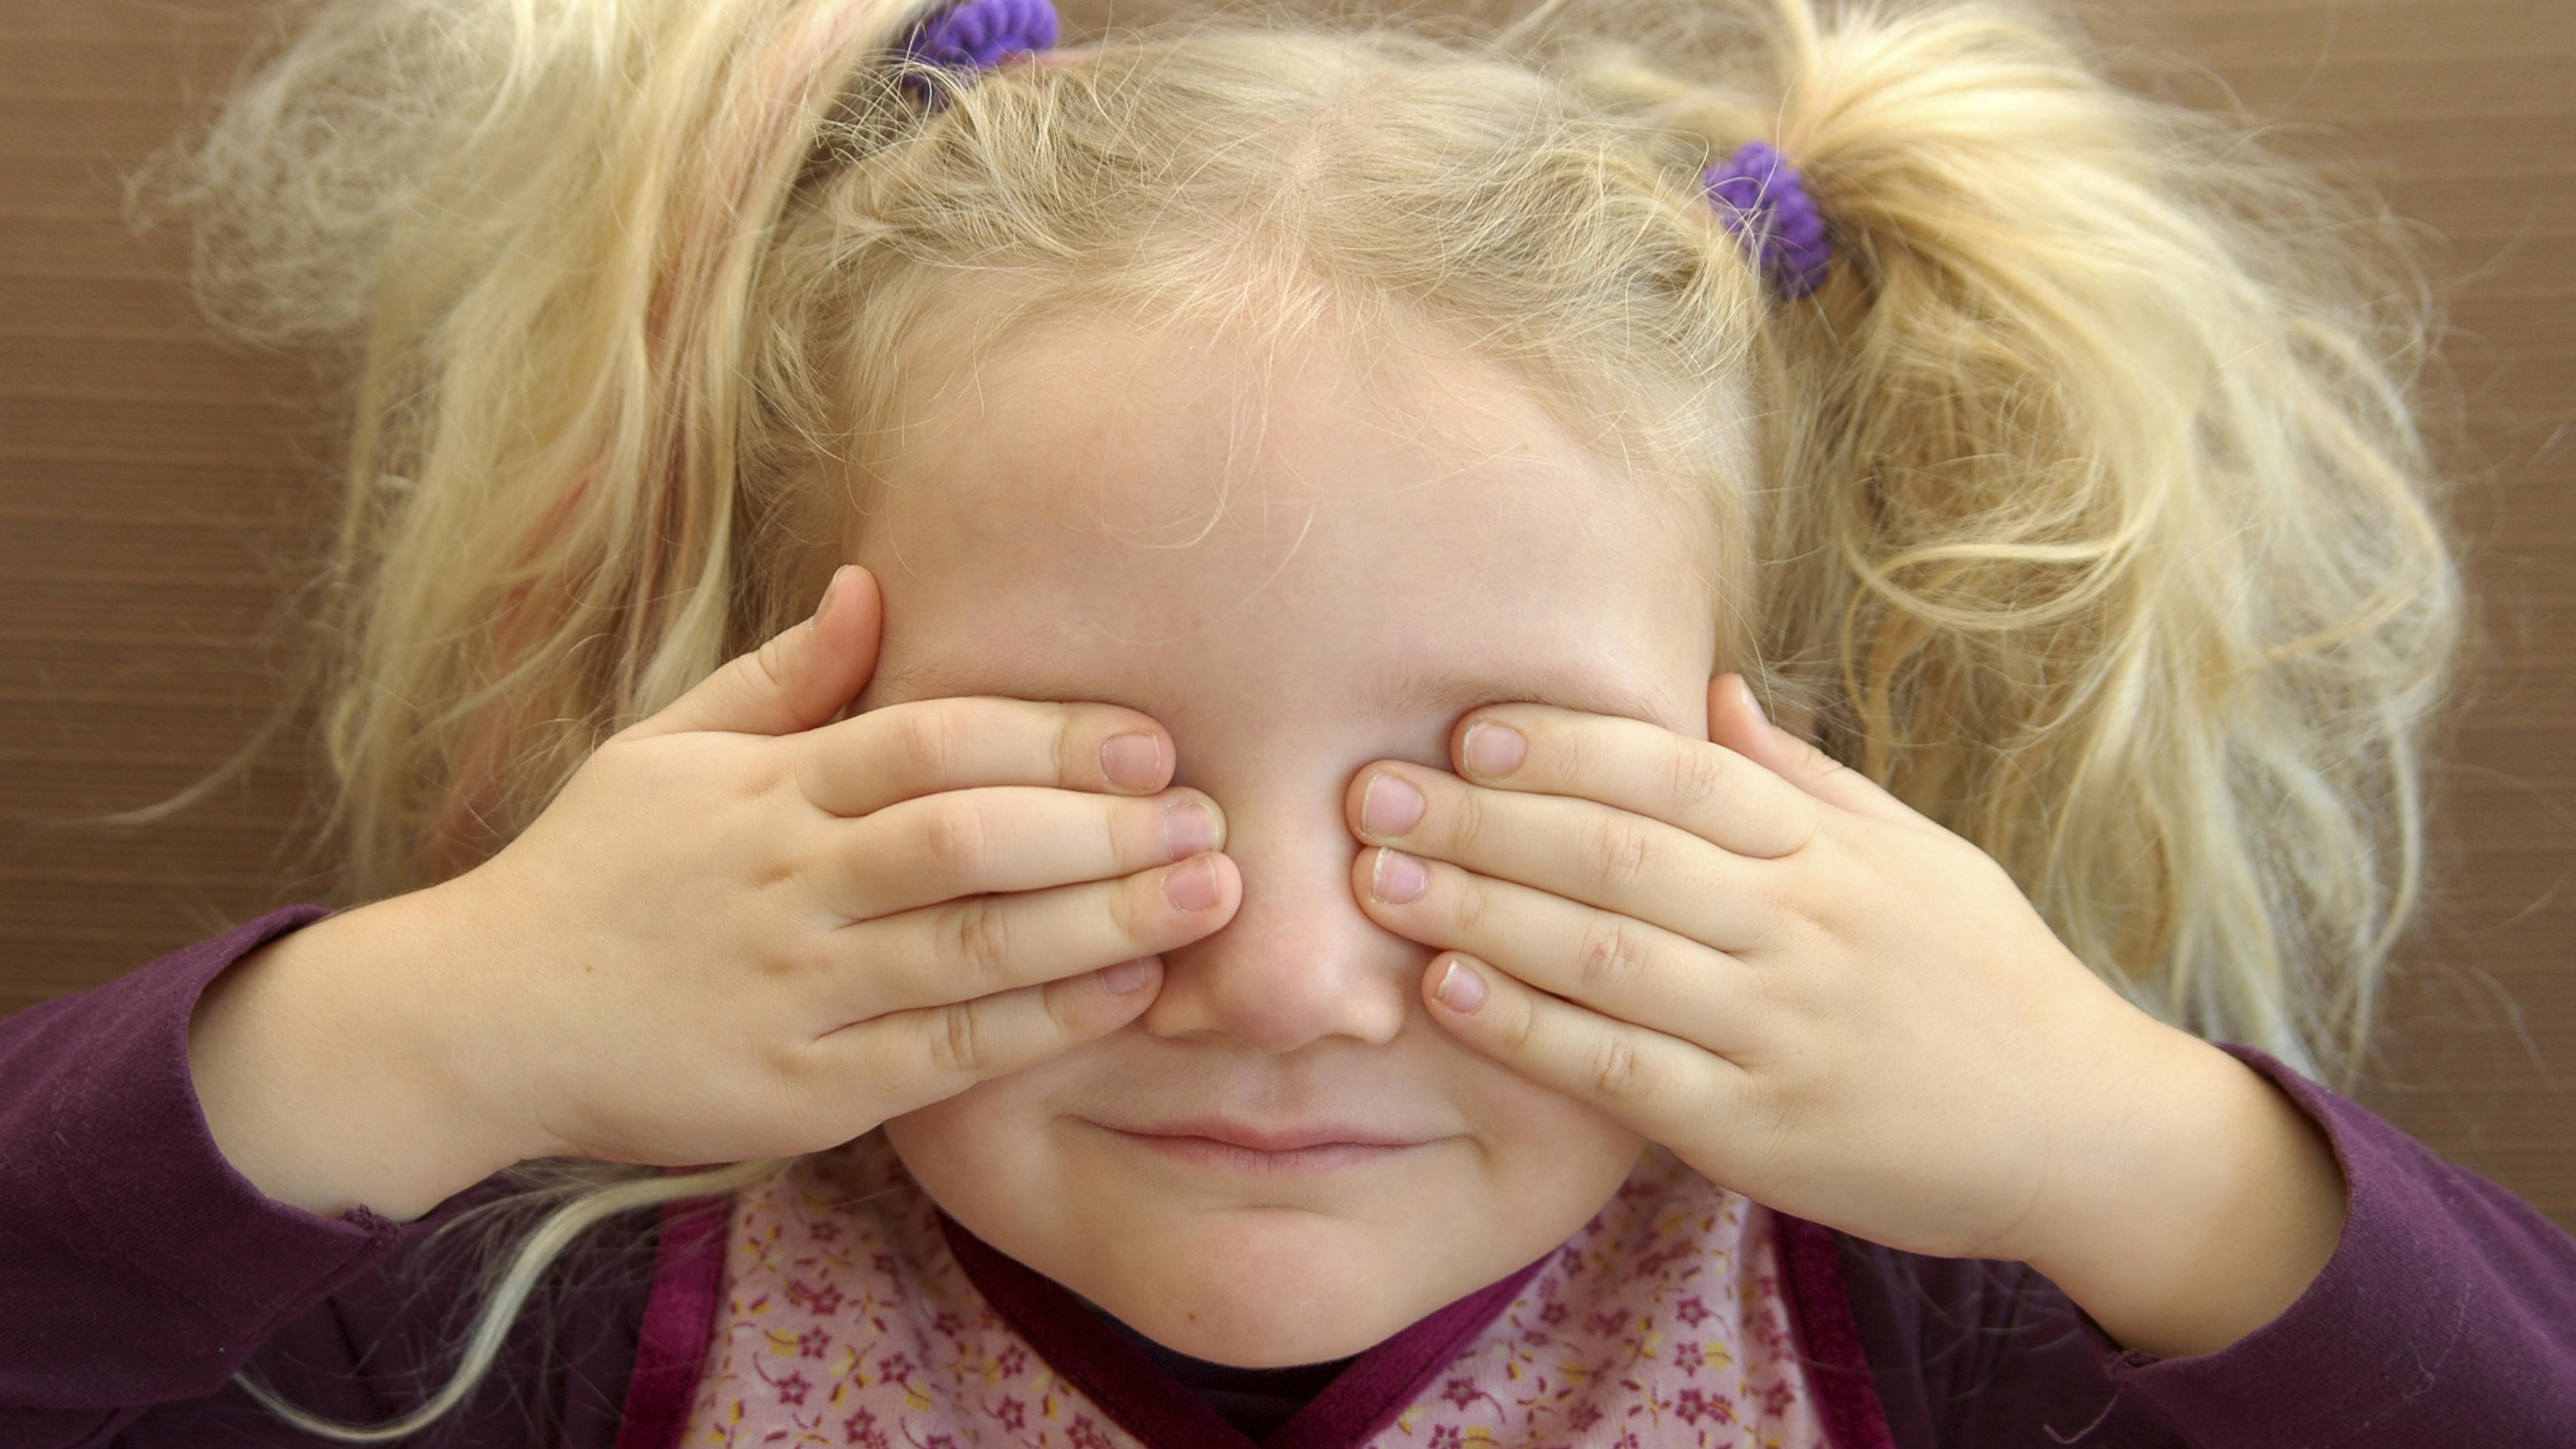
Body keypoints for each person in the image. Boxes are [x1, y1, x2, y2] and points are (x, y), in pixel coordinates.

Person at [3, 0, 2571, 1444]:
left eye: (1494, 797)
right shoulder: (539, 1300)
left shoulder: (1950, 1291)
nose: (1283, 984)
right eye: (1066, 789)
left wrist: (2134, 1149)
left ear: (1789, 772)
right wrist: (425, 1025)